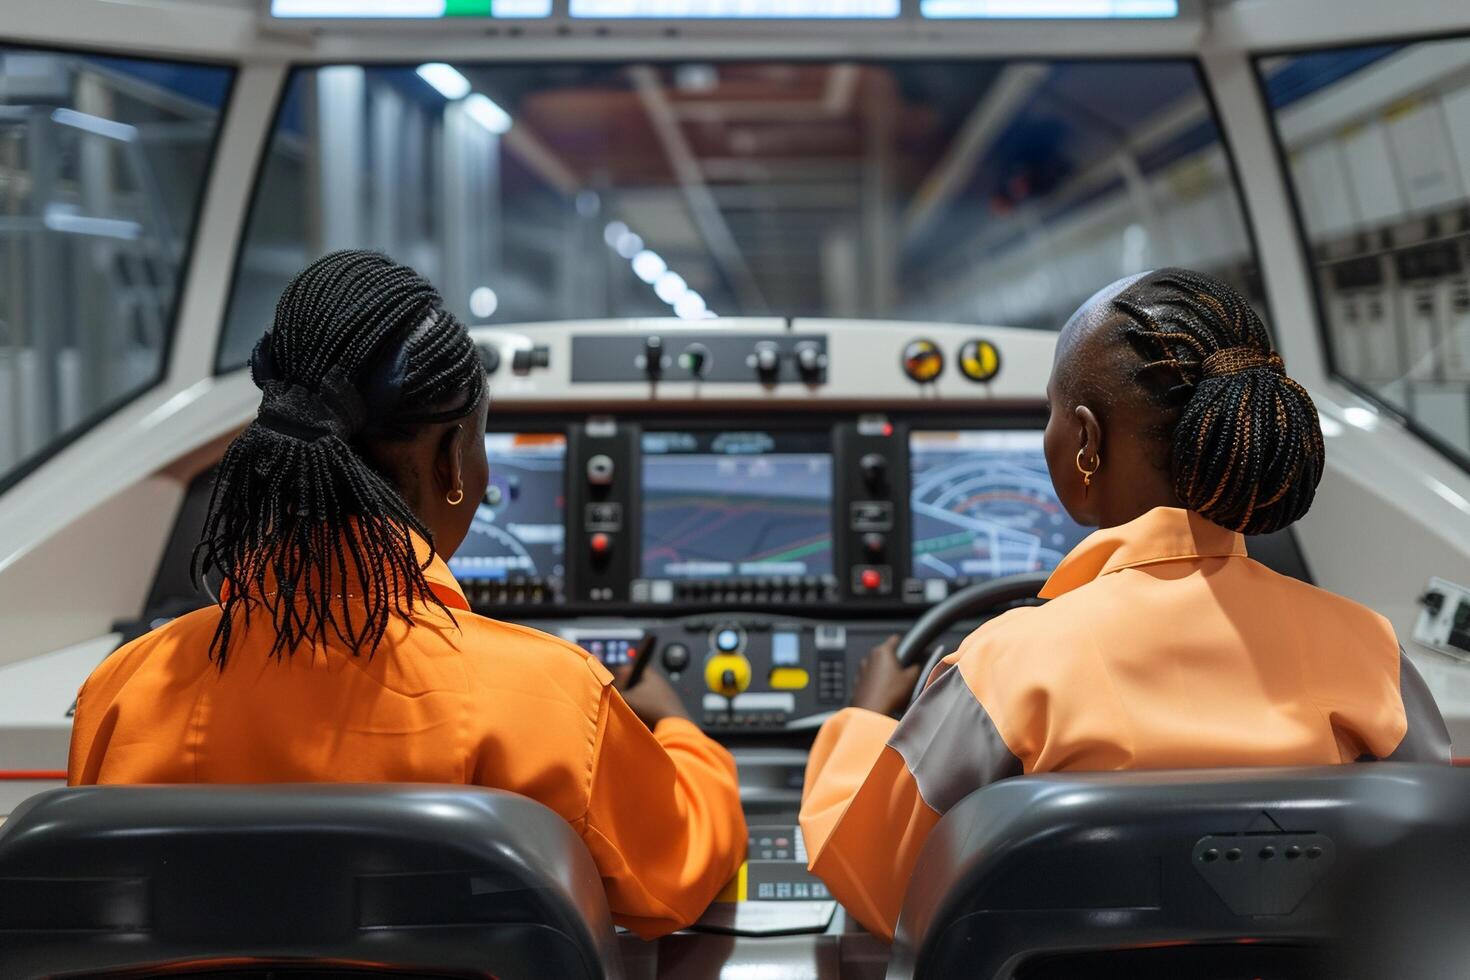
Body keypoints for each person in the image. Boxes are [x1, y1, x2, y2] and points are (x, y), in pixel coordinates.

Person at [67, 250, 746, 939]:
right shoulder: (554, 702)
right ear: (452, 459)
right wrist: (680, 729)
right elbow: (677, 877)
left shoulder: (123, 692)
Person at [799, 267, 1451, 941]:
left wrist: (863, 720)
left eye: (1049, 410)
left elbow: (880, 889)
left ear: (1086, 441)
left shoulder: (1002, 671)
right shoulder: (1369, 651)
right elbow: (1437, 863)